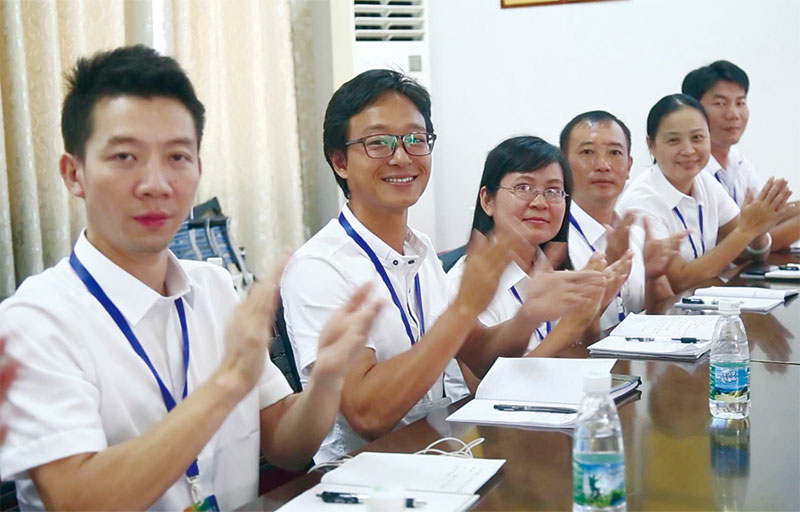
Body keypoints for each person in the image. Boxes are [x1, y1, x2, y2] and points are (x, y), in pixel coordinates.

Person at [0, 45, 383, 511]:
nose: (156, 184)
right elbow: (76, 499)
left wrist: (325, 382)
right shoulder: (34, 321)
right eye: (125, 156)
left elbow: (286, 445)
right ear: (73, 173)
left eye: (178, 157)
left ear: (199, 169)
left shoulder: (213, 286)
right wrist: (227, 384)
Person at [280, 70, 607, 462]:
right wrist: (463, 309)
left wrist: (529, 316)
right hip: (364, 475)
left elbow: (481, 357)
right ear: (340, 161)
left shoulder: (419, 249)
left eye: (416, 139)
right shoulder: (320, 267)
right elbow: (367, 413)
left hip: (442, 453)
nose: (402, 157)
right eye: (379, 142)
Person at [447, 135, 627, 359]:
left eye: (553, 191)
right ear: (487, 200)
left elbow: (574, 359)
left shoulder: (555, 268)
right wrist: (566, 327)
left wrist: (593, 310)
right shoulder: (462, 285)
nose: (540, 203)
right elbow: (484, 378)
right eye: (523, 187)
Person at [617, 94, 790, 293]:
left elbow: (749, 253)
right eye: (673, 140)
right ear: (651, 145)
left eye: (697, 138)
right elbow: (680, 281)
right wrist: (747, 230)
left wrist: (758, 234)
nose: (688, 150)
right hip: (659, 311)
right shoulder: (641, 202)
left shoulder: (704, 181)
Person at [560, 111, 687, 329]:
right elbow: (563, 336)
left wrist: (655, 277)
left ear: (629, 166)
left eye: (614, 153)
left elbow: (662, 313)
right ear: (562, 166)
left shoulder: (635, 229)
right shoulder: (556, 239)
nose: (603, 165)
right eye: (587, 152)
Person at [682, 60, 799, 250]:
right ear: (693, 110)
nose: (734, 114)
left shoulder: (737, 159)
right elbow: (739, 244)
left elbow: (770, 215)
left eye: (740, 103)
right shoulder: (690, 167)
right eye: (720, 103)